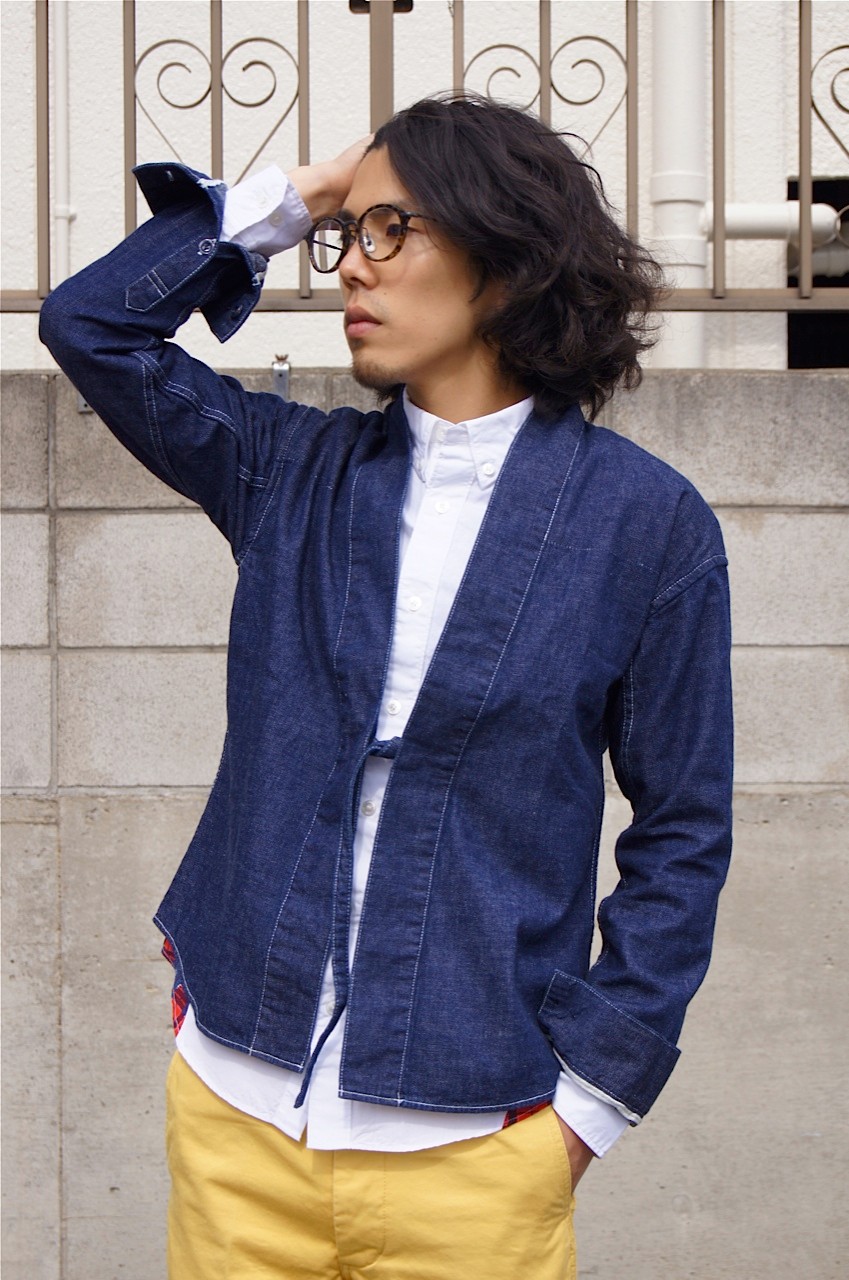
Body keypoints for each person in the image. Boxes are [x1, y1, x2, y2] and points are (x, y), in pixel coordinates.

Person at [40, 93, 733, 1280]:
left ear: (506, 259)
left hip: (476, 1147)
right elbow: (91, 324)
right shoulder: (290, 470)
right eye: (343, 234)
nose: (350, 267)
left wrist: (586, 1108)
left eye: (389, 229)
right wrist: (303, 192)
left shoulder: (646, 526)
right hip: (235, 1118)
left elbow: (682, 831)